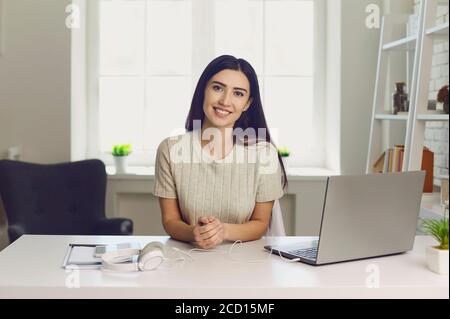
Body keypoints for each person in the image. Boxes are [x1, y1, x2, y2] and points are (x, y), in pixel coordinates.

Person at [153, 55, 287, 249]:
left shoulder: (264, 154)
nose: (225, 100)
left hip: (247, 263)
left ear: (247, 103)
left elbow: (260, 223)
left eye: (238, 93)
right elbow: (170, 221)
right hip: (188, 260)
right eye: (217, 88)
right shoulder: (170, 150)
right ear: (203, 91)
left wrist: (223, 231)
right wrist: (195, 233)